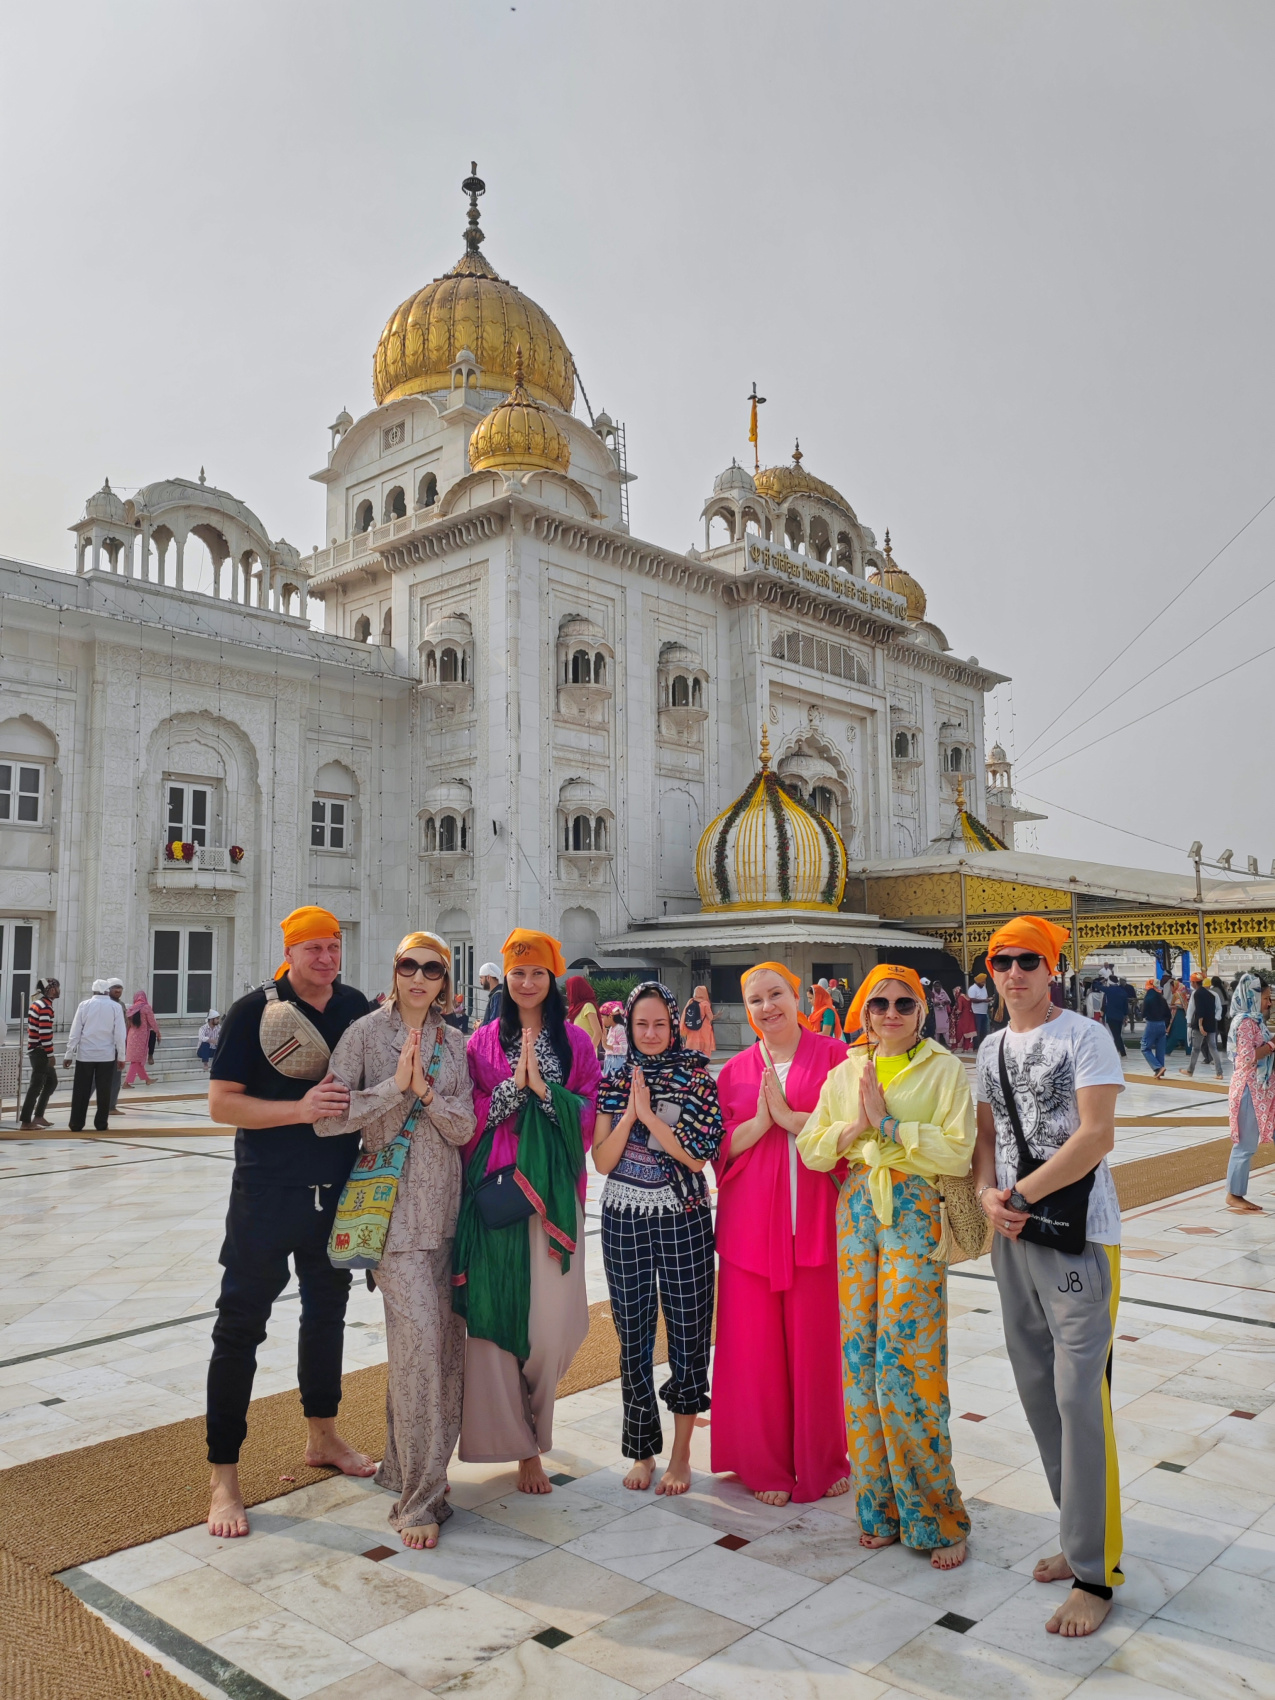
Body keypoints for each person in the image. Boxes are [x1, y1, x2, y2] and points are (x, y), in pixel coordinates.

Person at [973, 916, 1125, 1638]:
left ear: (1051, 968)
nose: (1013, 972)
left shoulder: (1084, 1037)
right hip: (1011, 1232)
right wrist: (986, 1193)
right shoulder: (990, 1046)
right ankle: (1076, 1535)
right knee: (1037, 1389)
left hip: (1077, 1235)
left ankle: (1095, 1573)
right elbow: (985, 1138)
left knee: (1078, 1397)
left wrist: (1022, 1195)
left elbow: (1096, 1135)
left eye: (1027, 960)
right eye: (1001, 961)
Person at [205, 906, 374, 1539]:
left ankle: (323, 1436)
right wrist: (299, 1110)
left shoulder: (353, 1006)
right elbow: (222, 1104)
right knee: (240, 1327)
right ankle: (223, 1475)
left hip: (335, 1193)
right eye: (313, 949)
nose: (326, 958)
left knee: (327, 1314)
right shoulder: (255, 1010)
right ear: (290, 953)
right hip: (266, 1194)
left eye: (333, 946)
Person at [798, 964, 975, 1569]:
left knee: (910, 1361)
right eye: (880, 1004)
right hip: (857, 1210)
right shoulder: (847, 1071)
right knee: (861, 1360)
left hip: (914, 1210)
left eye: (905, 1002)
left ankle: (936, 1514)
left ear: (922, 1011)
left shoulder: (943, 1068)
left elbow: (958, 1149)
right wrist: (858, 1124)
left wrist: (892, 1126)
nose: (892, 1013)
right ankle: (879, 1508)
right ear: (865, 1013)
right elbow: (812, 1147)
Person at [316, 932, 475, 1548]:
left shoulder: (453, 1042)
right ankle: (418, 1500)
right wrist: (393, 1087)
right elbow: (327, 1118)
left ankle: (403, 1468)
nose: (419, 977)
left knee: (440, 1352)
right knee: (422, 1352)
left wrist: (425, 1091)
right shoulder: (363, 1034)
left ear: (444, 981)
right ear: (395, 969)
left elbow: (463, 1127)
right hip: (392, 1218)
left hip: (447, 1217)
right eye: (409, 965)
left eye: (432, 969)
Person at [457, 930, 600, 1493]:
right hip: (498, 1197)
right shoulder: (482, 1042)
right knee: (499, 1319)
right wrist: (507, 1096)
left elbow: (590, 1111)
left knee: (551, 1331)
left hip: (555, 1199)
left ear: (552, 978)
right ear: (506, 978)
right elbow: (467, 1111)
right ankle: (524, 1449)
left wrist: (545, 1092)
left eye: (537, 972)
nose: (526, 982)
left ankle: (535, 1427)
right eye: (518, 972)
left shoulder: (575, 1043)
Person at [713, 962, 850, 1507]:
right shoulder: (734, 1071)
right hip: (751, 1229)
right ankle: (762, 1461)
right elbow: (719, 1146)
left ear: (799, 998)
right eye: (756, 1000)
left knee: (817, 1349)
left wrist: (793, 1120)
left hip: (817, 1222)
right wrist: (761, 1124)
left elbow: (854, 1132)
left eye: (777, 995)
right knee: (756, 1351)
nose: (767, 1007)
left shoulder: (836, 1058)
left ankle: (822, 1458)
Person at [592, 982, 722, 1494]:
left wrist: (650, 1118)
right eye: (640, 1024)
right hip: (623, 1217)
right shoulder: (613, 1080)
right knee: (633, 1338)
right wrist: (630, 1115)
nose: (649, 1034)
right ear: (627, 1026)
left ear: (674, 1026)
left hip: (683, 1217)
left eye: (659, 1024)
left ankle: (681, 1454)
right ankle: (642, 1450)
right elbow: (603, 1161)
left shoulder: (696, 1080)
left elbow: (695, 1157)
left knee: (689, 1334)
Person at [1225, 973, 1275, 1214]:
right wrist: (1272, 1045)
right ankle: (1234, 1194)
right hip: (1249, 1091)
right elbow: (1246, 1059)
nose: (1269, 1003)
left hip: (1263, 1091)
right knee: (1245, 1146)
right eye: (1265, 998)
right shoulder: (1244, 1023)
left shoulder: (1255, 1021)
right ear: (1251, 997)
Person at [65, 979, 127, 1132]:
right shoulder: (115, 1007)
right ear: (107, 991)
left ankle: (76, 1123)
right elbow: (120, 1034)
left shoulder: (84, 1005)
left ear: (93, 991)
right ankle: (101, 1123)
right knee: (104, 1091)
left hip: (85, 1055)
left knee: (81, 1090)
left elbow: (75, 1031)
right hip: (106, 1055)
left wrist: (69, 1053)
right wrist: (121, 1056)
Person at [20, 977, 60, 1130]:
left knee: (51, 1082)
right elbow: (44, 1033)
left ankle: (38, 1116)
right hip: (40, 1051)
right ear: (50, 989)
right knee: (36, 1086)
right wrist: (50, 1054)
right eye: (56, 987)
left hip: (37, 1050)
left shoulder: (38, 1004)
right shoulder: (44, 1007)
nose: (58, 990)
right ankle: (26, 1121)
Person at [1181, 972, 1224, 1079]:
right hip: (1211, 1024)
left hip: (1201, 1025)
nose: (1191, 983)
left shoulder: (1197, 993)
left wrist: (1200, 1025)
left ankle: (1190, 1070)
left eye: (1191, 982)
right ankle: (1219, 1073)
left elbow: (1200, 1010)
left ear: (1195, 982)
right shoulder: (1211, 994)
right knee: (1213, 1048)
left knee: (1196, 1049)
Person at [122, 990, 160, 1087]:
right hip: (141, 1036)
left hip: (131, 1035)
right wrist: (158, 1032)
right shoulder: (146, 1007)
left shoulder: (131, 1009)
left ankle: (147, 1080)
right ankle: (126, 1083)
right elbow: (152, 1022)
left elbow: (128, 1024)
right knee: (136, 1060)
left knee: (137, 1060)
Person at [566, 974, 604, 1056]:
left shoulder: (588, 1006)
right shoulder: (574, 1010)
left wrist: (587, 1052)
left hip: (586, 1057)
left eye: (569, 989)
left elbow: (598, 1033)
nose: (567, 993)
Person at [105, 978, 128, 1111]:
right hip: (106, 1046)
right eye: (115, 988)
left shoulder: (121, 1004)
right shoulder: (106, 1004)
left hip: (117, 1046)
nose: (118, 990)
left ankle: (111, 1106)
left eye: (120, 988)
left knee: (115, 1078)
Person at [1139, 980, 1169, 1078]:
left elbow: (1143, 1014)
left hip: (1152, 1024)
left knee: (1145, 1048)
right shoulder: (1162, 998)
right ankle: (1160, 1070)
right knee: (1160, 1049)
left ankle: (1158, 1068)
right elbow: (1168, 1014)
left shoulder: (1148, 998)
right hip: (1162, 1024)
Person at [1099, 978, 1131, 1058]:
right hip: (1120, 1016)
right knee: (1117, 1034)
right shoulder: (1122, 991)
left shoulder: (1108, 990)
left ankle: (1122, 1052)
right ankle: (1118, 1050)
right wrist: (1125, 1015)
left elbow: (1096, 985)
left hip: (1111, 1015)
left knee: (1116, 1035)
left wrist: (1102, 980)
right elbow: (1125, 1006)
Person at [681, 984, 716, 1057]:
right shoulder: (705, 1004)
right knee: (705, 1049)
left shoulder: (690, 1001)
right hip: (704, 1030)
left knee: (692, 1049)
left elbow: (685, 1014)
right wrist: (716, 1016)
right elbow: (710, 1017)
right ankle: (703, 1062)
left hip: (692, 1029)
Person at [600, 1000, 628, 1075]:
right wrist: (604, 1039)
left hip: (616, 1063)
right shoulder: (612, 1029)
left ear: (610, 1016)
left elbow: (624, 1048)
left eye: (602, 1017)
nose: (601, 1020)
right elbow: (608, 1049)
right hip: (610, 1061)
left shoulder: (619, 1028)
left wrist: (606, 1045)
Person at [1165, 977, 1190, 1055]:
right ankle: (1189, 1051)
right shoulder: (1184, 993)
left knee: (1174, 1034)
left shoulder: (1177, 994)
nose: (1171, 989)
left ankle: (1167, 1050)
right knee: (1186, 1034)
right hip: (1184, 1015)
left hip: (1178, 1015)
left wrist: (1169, 1007)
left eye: (1171, 987)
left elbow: (1178, 1005)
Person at [952, 984, 976, 1053]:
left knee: (959, 1032)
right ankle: (965, 1048)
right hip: (970, 1016)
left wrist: (954, 1013)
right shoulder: (967, 997)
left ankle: (954, 1047)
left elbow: (959, 1010)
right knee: (967, 1032)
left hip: (964, 1017)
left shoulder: (960, 998)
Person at [968, 972, 989, 1042]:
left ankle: (983, 1045)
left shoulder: (984, 987)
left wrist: (988, 1000)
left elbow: (984, 997)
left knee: (984, 1030)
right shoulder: (973, 988)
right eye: (982, 982)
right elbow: (972, 1000)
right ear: (978, 982)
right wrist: (984, 1000)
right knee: (977, 1030)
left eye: (984, 982)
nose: (984, 983)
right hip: (976, 1013)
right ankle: (976, 1046)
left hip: (984, 1012)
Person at [932, 980, 952, 1047]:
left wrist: (945, 1002)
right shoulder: (932, 994)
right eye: (936, 986)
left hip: (944, 1013)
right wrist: (935, 1003)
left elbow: (949, 1001)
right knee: (936, 1031)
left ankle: (949, 1044)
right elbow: (930, 1003)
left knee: (946, 1030)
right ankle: (936, 1046)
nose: (937, 987)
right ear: (934, 987)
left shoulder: (944, 992)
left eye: (938, 986)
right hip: (936, 1014)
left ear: (941, 986)